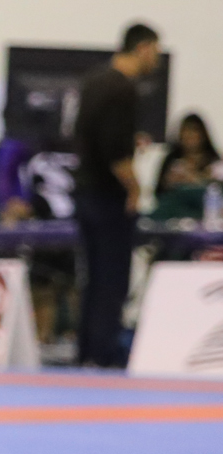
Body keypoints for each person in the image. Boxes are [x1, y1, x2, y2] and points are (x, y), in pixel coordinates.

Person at [74, 21, 162, 367]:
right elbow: (114, 153)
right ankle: (104, 352)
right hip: (108, 197)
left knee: (92, 278)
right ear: (143, 48)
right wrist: (135, 189)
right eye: (155, 51)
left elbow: (92, 136)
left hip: (85, 192)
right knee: (112, 278)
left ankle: (86, 351)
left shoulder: (93, 82)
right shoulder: (122, 89)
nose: (156, 59)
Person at [156, 112, 220, 195]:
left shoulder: (213, 161)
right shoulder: (172, 159)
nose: (189, 136)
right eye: (186, 131)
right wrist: (168, 181)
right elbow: (159, 191)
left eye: (194, 131)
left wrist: (197, 178)